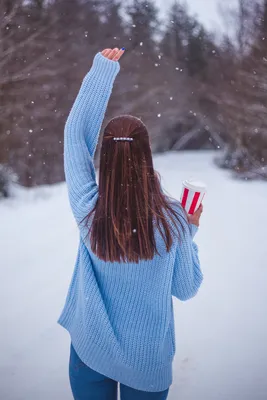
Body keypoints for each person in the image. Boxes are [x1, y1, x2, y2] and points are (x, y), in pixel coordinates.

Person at [58, 47, 204, 400]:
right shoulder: (172, 221)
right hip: (147, 361)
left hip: (90, 352)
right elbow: (186, 288)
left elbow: (74, 137)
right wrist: (189, 230)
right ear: (146, 155)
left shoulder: (88, 211)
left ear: (104, 158)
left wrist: (101, 75)